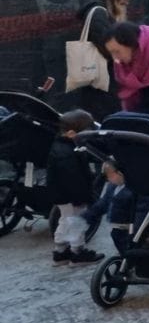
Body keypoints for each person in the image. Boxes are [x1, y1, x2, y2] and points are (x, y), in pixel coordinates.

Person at [68, 0, 138, 117]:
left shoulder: (104, 13)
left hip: (102, 80)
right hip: (100, 79)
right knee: (103, 114)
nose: (127, 4)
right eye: (124, 0)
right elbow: (108, 48)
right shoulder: (98, 14)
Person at [47, 109, 103, 266]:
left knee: (65, 221)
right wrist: (83, 197)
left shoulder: (60, 145)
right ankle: (78, 253)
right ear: (72, 133)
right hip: (72, 196)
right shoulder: (68, 153)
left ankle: (60, 251)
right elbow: (74, 179)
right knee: (76, 222)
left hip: (61, 194)